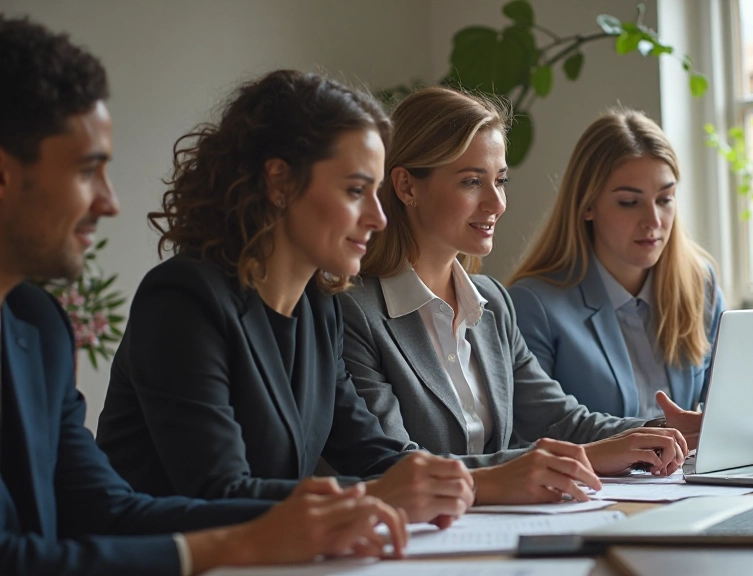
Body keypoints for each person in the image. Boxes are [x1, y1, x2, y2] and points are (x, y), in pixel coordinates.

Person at [0, 15, 406, 575]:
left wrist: (330, 513)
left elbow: (102, 509)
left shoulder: (36, 323)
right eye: (87, 171)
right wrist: (239, 543)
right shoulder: (183, 297)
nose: (110, 202)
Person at [95, 70, 474, 527]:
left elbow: (376, 456)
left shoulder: (318, 307)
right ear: (279, 182)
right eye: (356, 190)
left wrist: (504, 477)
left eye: (376, 193)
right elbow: (218, 493)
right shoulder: (182, 299)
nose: (378, 218)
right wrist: (380, 495)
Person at [340, 87, 704, 504]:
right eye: (472, 181)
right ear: (406, 186)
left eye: (500, 180)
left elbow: (560, 420)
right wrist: (581, 458)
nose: (496, 202)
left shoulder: (491, 301)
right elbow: (393, 468)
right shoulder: (354, 310)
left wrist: (663, 433)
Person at [507, 109, 725, 420]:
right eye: (629, 202)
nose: (653, 221)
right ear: (587, 206)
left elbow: (726, 415)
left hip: (690, 469)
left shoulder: (700, 284)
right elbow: (534, 435)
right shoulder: (534, 305)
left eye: (665, 199)